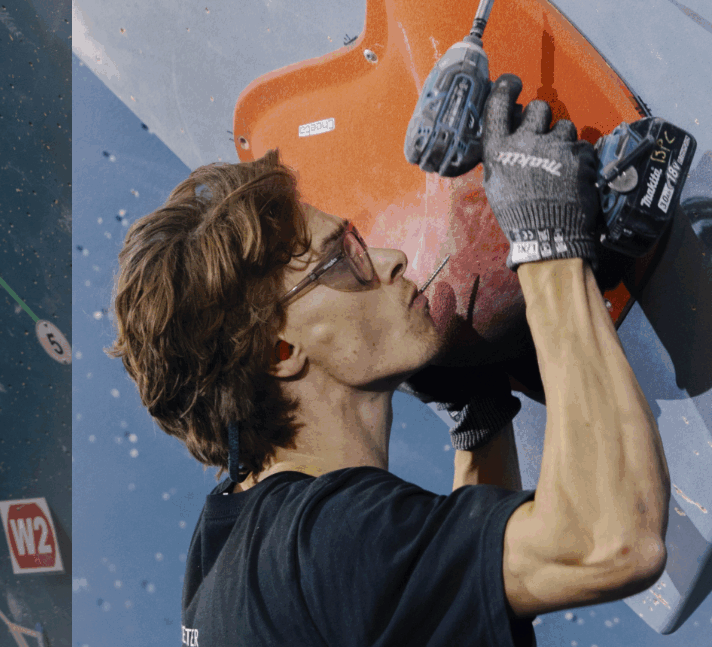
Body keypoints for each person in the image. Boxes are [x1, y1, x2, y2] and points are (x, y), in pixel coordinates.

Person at [107, 74, 668, 646]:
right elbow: (609, 543)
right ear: (280, 352)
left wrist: (479, 415)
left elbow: (443, 598)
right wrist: (549, 242)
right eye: (343, 259)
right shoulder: (324, 541)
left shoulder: (231, 547)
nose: (392, 258)